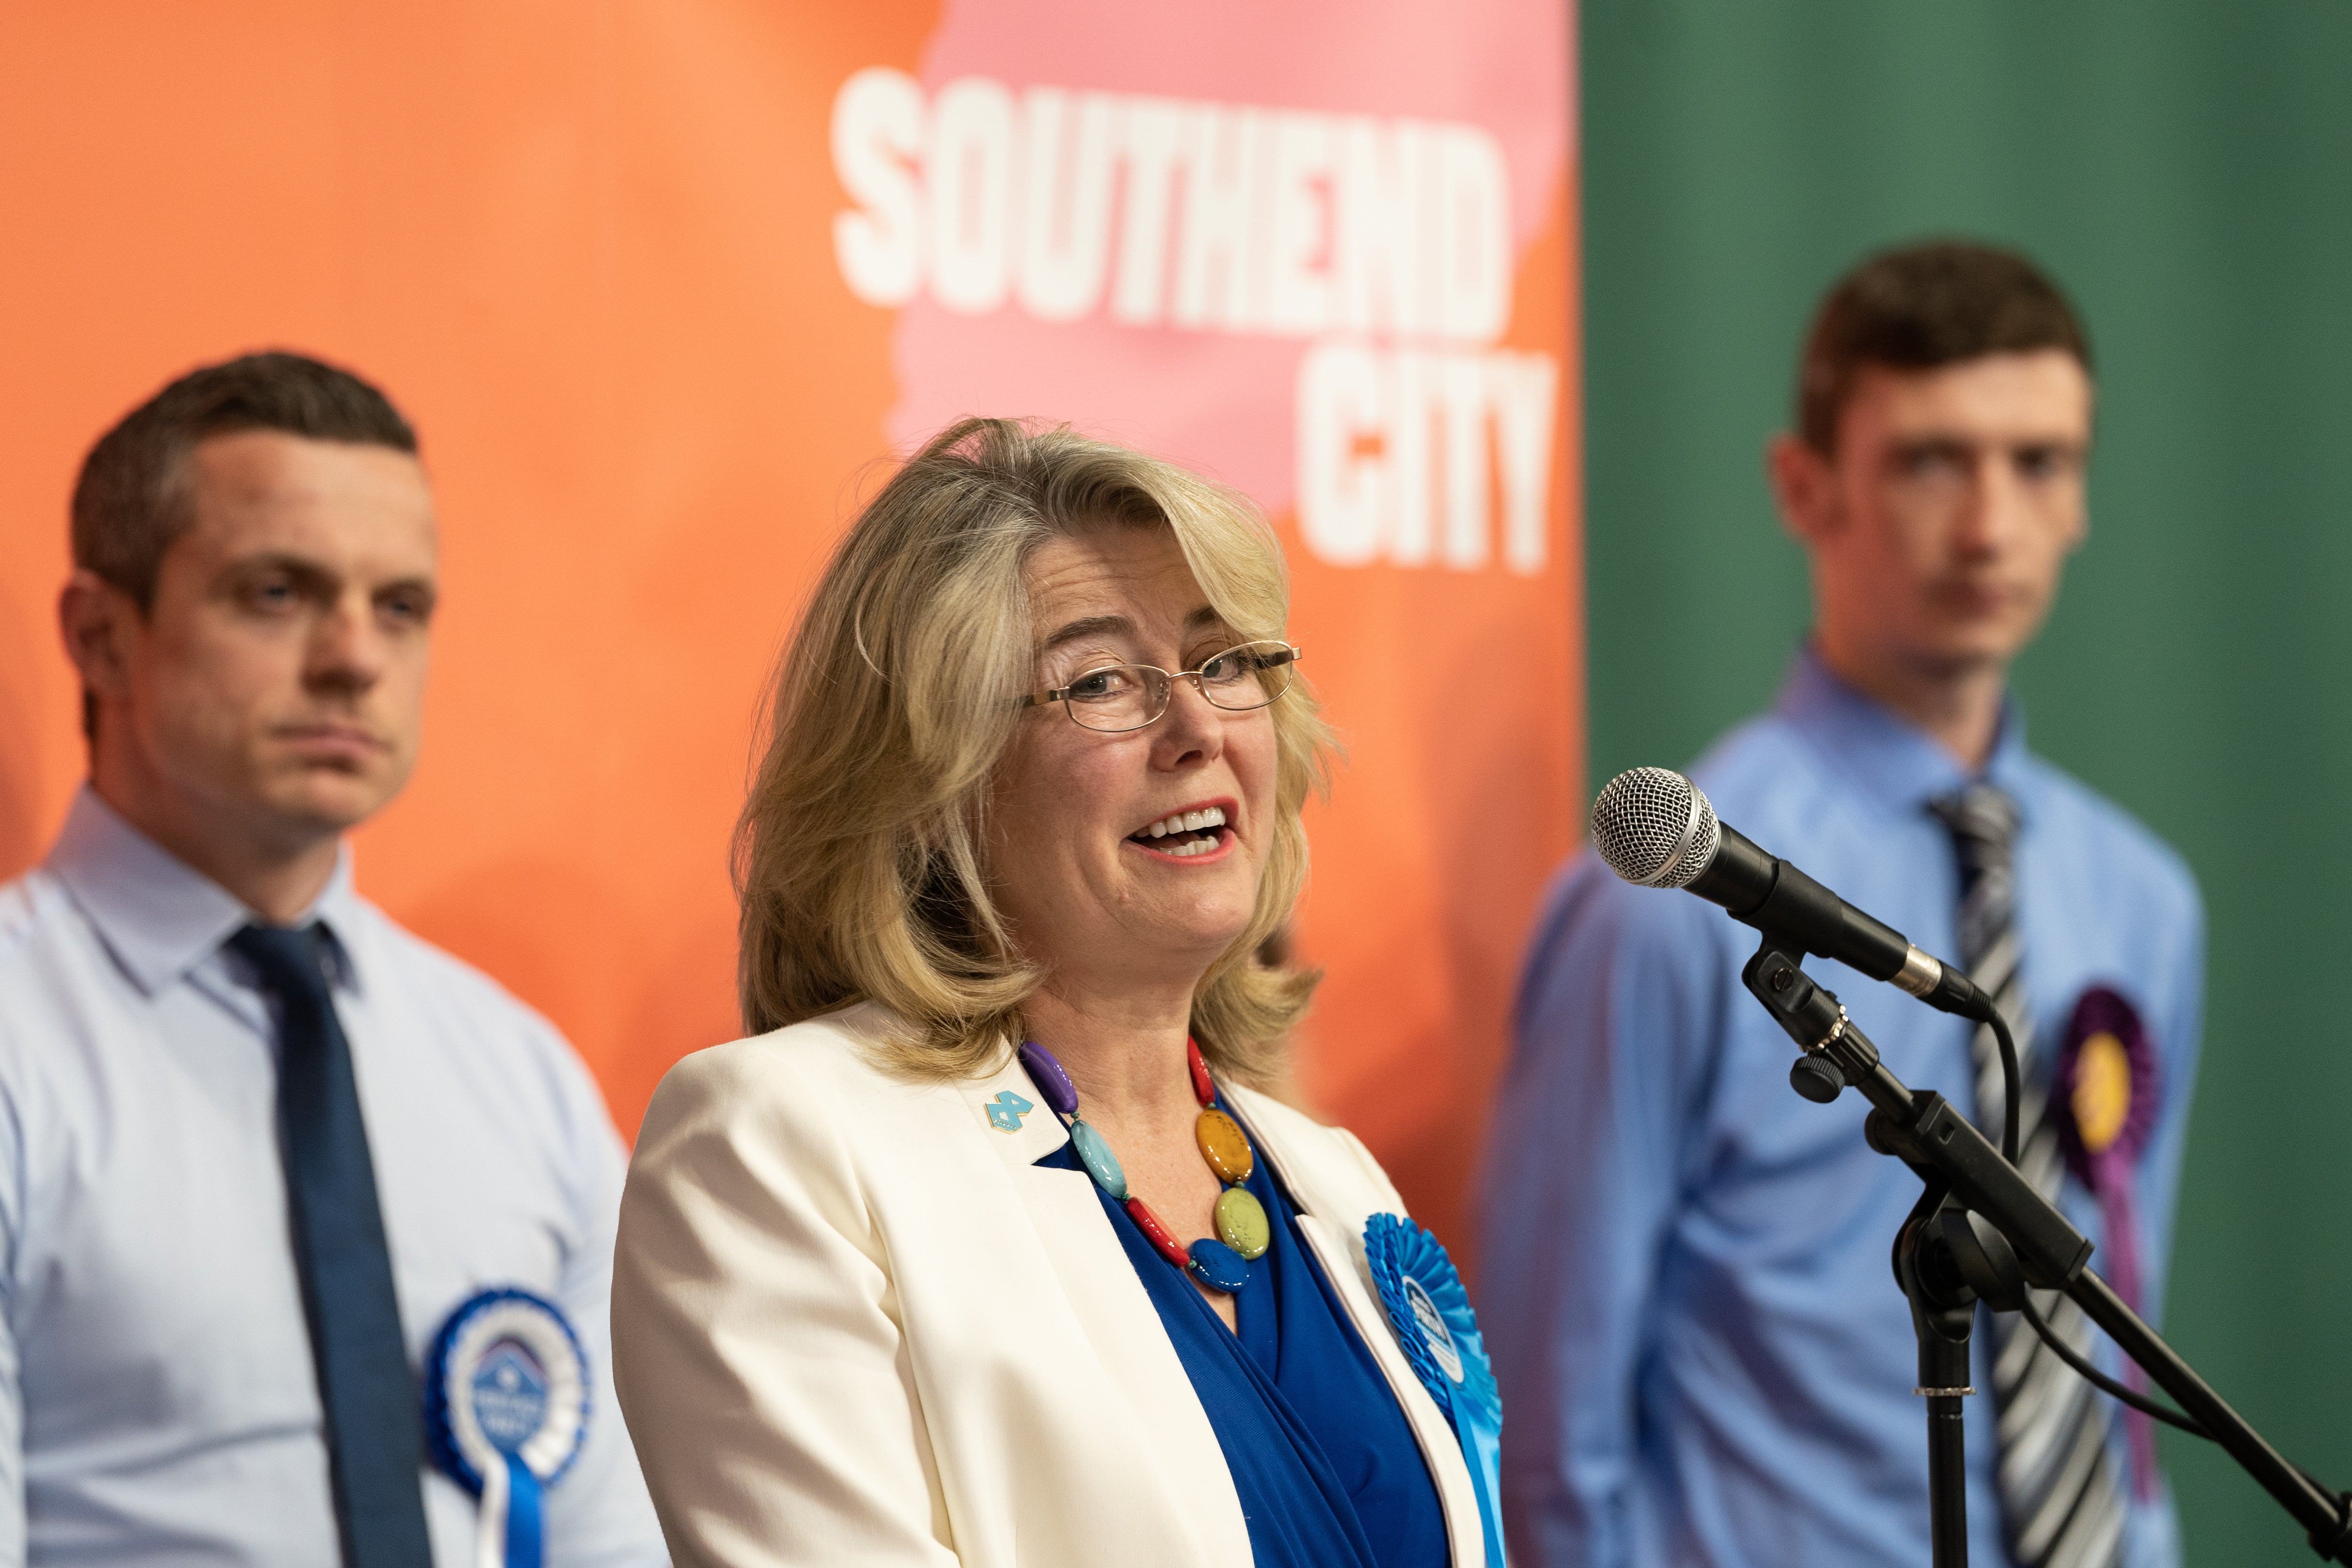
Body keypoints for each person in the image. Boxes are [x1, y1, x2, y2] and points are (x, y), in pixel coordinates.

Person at [611, 418, 1506, 1567]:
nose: (1195, 727)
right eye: (1096, 681)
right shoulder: (779, 1147)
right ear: (932, 781)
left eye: (1222, 660)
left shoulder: (1329, 1176)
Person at [1480, 241, 2202, 1568]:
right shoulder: (1666, 900)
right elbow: (1545, 1414)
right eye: (1932, 460)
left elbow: (2110, 1319)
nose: (1990, 524)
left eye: (2039, 462)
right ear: (1804, 485)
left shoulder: (2143, 897)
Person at [0, 352, 667, 1566]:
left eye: (400, 606)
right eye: (276, 592)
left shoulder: (520, 1078)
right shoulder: (17, 1039)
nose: (356, 657)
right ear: (101, 635)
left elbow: (608, 1538)